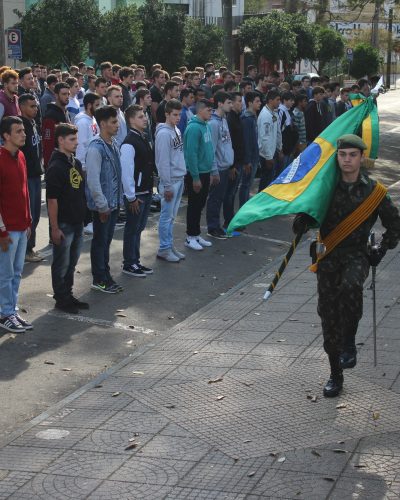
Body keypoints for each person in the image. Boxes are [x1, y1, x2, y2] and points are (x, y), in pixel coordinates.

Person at [293, 135, 400, 397]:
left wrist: (381, 249)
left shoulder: (374, 192)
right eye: (343, 155)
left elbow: (395, 225)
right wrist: (300, 222)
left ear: (361, 158)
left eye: (353, 155)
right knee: (328, 317)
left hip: (355, 255)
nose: (347, 160)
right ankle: (335, 374)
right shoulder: (325, 188)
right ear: (337, 157)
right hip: (327, 256)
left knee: (352, 286)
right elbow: (306, 216)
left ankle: (349, 342)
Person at [46, 124, 88, 314]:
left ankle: (67, 294)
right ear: (60, 140)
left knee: (72, 262)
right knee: (61, 263)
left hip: (77, 221)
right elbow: (52, 200)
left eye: (76, 139)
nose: (76, 143)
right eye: (71, 139)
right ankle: (61, 298)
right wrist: (54, 228)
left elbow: (80, 191)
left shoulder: (75, 163)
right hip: (63, 223)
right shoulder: (55, 167)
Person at [85, 106, 123, 293]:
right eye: (114, 122)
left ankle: (105, 274)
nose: (117, 125)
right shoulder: (96, 148)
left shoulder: (113, 143)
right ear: (102, 124)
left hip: (113, 203)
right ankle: (99, 278)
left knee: (106, 241)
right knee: (100, 241)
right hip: (103, 206)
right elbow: (93, 180)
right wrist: (102, 205)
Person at [0, 117, 32, 333]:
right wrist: (1, 231)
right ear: (6, 136)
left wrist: (29, 220)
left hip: (22, 225)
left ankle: (10, 308)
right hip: (7, 229)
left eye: (23, 130)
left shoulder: (21, 155)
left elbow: (25, 191)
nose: (23, 134)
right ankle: (5, 313)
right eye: (18, 131)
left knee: (17, 271)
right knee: (5, 273)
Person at [121, 105, 155, 277]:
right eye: (141, 117)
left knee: (139, 228)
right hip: (137, 195)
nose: (145, 119)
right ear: (132, 120)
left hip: (146, 191)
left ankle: (136, 260)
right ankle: (129, 263)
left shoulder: (142, 137)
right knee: (132, 228)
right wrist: (131, 196)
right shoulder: (129, 142)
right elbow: (127, 172)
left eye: (145, 116)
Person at [155, 99, 186, 262]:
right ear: (167, 114)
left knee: (172, 216)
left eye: (179, 114)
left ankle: (169, 245)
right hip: (170, 181)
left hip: (179, 178)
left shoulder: (177, 130)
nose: (178, 118)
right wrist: (167, 185)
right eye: (174, 115)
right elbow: (162, 162)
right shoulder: (163, 134)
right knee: (166, 216)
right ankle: (164, 248)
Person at [183, 99, 215, 251]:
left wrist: (211, 170)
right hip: (196, 173)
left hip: (205, 172)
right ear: (201, 110)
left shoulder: (206, 126)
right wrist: (195, 177)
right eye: (209, 110)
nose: (211, 113)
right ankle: (190, 237)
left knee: (200, 205)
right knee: (194, 205)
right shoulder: (194, 128)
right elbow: (191, 154)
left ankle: (196, 234)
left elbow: (209, 149)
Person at [206, 91, 234, 240]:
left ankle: (216, 225)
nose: (231, 105)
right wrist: (214, 170)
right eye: (228, 103)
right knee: (215, 199)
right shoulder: (213, 123)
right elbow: (212, 149)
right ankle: (212, 227)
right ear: (220, 104)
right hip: (218, 168)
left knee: (220, 198)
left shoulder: (224, 120)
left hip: (225, 166)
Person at [19, 94, 44, 263]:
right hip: (27, 176)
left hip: (36, 174)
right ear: (21, 107)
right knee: (29, 214)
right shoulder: (21, 126)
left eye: (35, 106)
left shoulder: (34, 123)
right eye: (31, 106)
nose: (35, 109)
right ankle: (26, 249)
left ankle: (30, 247)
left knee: (35, 213)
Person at [224, 92, 245, 231]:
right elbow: (229, 144)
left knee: (233, 192)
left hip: (239, 161)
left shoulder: (238, 117)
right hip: (233, 163)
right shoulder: (230, 119)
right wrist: (231, 166)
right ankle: (228, 221)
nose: (240, 103)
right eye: (238, 101)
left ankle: (231, 219)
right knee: (229, 193)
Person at [42, 82, 71, 168]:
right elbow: (48, 144)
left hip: (67, 159)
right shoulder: (50, 116)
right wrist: (49, 166)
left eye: (68, 94)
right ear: (56, 95)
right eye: (64, 94)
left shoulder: (66, 111)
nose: (67, 96)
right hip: (55, 164)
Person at [258, 90, 282, 191]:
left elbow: (277, 133)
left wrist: (279, 148)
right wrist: (268, 156)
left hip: (273, 152)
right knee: (265, 183)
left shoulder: (273, 113)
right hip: (267, 155)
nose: (279, 102)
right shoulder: (265, 115)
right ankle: (260, 203)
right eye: (277, 100)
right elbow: (265, 137)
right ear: (270, 100)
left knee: (270, 180)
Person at [240, 91, 261, 207]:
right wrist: (247, 161)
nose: (259, 103)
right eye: (257, 101)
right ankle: (243, 209)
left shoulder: (252, 116)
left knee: (248, 184)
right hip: (249, 158)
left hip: (254, 156)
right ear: (249, 103)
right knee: (245, 184)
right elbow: (247, 141)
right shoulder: (247, 119)